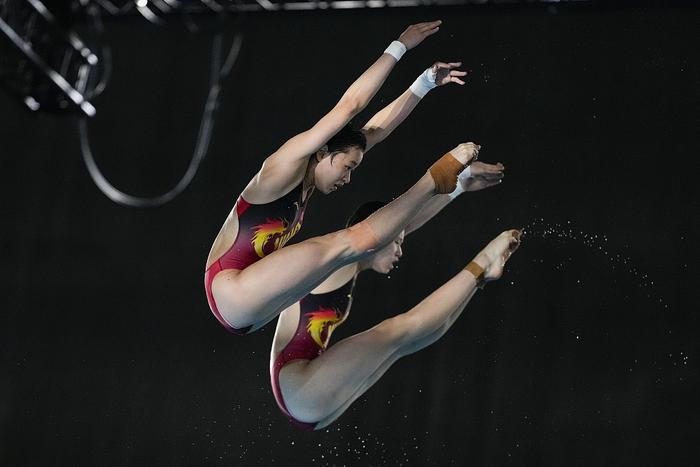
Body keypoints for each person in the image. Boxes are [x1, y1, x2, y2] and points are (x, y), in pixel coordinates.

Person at [205, 20, 472, 334]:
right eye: (347, 167)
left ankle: (440, 186)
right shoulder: (284, 165)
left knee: (344, 255)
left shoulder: (312, 178)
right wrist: (399, 47)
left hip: (254, 311)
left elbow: (375, 131)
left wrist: (425, 83)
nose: (348, 179)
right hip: (231, 289)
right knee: (347, 244)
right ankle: (432, 181)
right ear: (323, 152)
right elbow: (350, 107)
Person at [269, 165, 517, 430]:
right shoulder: (336, 262)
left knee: (409, 340)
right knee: (396, 330)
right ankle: (482, 263)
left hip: (310, 396)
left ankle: (478, 279)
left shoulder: (349, 268)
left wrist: (461, 187)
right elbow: (400, 221)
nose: (400, 250)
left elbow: (402, 226)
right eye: (396, 242)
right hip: (300, 386)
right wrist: (459, 180)